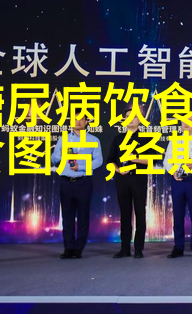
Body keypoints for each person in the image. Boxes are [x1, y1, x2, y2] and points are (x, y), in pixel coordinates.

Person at [50, 112, 103, 259]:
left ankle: (79, 248)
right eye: (74, 119)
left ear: (86, 122)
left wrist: (81, 167)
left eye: (81, 119)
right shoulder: (63, 138)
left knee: (83, 216)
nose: (77, 121)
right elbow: (53, 159)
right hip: (66, 181)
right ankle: (68, 248)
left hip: (83, 181)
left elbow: (98, 161)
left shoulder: (93, 140)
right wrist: (60, 154)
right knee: (67, 216)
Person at [106, 106, 150, 259]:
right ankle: (124, 248)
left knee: (140, 213)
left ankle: (138, 249)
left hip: (138, 179)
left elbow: (152, 160)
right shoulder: (118, 139)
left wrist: (134, 158)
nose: (130, 119)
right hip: (122, 179)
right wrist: (118, 170)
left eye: (134, 116)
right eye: (127, 116)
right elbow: (110, 160)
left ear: (140, 120)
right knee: (124, 215)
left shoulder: (147, 138)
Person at [164, 114, 192, 259]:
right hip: (178, 181)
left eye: (190, 121)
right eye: (183, 121)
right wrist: (174, 171)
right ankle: (178, 247)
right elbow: (167, 161)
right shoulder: (174, 141)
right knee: (178, 215)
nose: (186, 123)